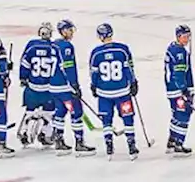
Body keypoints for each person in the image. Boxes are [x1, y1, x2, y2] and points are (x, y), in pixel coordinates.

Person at [89, 23, 139, 161]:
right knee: (127, 118)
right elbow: (129, 69)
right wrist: (133, 83)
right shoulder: (123, 50)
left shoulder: (96, 53)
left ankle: (109, 146)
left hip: (104, 94)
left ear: (100, 36)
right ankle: (131, 145)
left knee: (107, 120)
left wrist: (93, 86)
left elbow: (94, 74)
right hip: (122, 92)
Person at [50, 19, 94, 156]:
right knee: (76, 112)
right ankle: (79, 142)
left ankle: (58, 141)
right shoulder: (66, 46)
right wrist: (74, 85)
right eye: (69, 30)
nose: (71, 33)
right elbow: (68, 68)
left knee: (60, 113)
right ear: (63, 31)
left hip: (53, 86)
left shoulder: (52, 45)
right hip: (66, 88)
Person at [17, 21, 57, 148]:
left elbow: (24, 64)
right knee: (49, 112)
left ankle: (24, 131)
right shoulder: (54, 48)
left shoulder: (31, 46)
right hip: (48, 89)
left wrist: (23, 78)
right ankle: (46, 134)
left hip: (32, 87)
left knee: (29, 110)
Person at [163, 24, 194, 156]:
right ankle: (178, 143)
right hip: (177, 90)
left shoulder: (172, 48)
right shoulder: (180, 53)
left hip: (172, 89)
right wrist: (185, 89)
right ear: (178, 36)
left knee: (176, 114)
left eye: (188, 36)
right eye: (185, 36)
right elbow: (179, 74)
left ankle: (171, 140)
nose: (187, 39)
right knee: (184, 114)